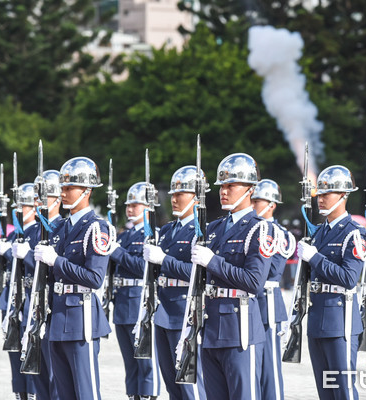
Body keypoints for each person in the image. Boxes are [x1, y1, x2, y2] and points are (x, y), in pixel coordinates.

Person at [190, 153, 273, 399]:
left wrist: (212, 261)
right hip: (211, 326)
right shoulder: (213, 229)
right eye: (221, 186)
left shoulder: (259, 228)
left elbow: (254, 282)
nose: (223, 191)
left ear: (249, 189)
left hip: (239, 330)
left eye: (230, 186)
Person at [33, 157, 112, 400]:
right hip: (56, 318)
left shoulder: (97, 227)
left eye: (69, 188)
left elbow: (94, 278)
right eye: (62, 188)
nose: (63, 193)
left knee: (85, 392)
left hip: (81, 319)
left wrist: (55, 261)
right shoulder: (59, 228)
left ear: (87, 191)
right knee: (62, 393)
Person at [296, 165, 366, 400]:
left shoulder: (354, 233)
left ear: (344, 195)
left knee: (343, 391)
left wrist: (314, 257)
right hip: (318, 321)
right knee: (325, 393)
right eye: (320, 193)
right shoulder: (319, 233)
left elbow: (348, 278)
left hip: (340, 323)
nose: (321, 199)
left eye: (328, 194)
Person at [143, 165, 207, 400]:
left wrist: (164, 260)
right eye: (173, 194)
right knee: (172, 385)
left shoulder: (202, 231)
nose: (174, 198)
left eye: (181, 193)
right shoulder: (168, 230)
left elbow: (199, 273)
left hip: (185, 312)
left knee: (190, 386)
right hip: (164, 312)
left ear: (196, 196)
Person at [14, 170, 65, 400]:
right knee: (37, 373)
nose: (37, 202)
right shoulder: (33, 230)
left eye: (42, 197)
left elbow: (53, 271)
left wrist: (26, 256)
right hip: (32, 304)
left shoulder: (62, 228)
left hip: (52, 306)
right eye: (36, 198)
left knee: (55, 374)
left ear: (57, 199)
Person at [109, 181, 161, 400]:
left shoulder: (153, 235)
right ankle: (133, 395)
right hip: (122, 303)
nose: (130, 209)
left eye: (135, 205)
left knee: (145, 360)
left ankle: (149, 395)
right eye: (128, 205)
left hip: (140, 301)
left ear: (148, 207)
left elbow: (146, 269)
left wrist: (118, 253)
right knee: (130, 362)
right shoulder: (124, 235)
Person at [251, 179, 295, 400]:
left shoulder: (279, 233)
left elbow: (271, 270)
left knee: (270, 370)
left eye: (257, 201)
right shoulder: (249, 230)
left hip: (267, 304)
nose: (253, 205)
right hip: (249, 305)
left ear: (272, 204)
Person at [1, 182, 38, 400]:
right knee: (15, 357)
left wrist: (10, 255)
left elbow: (36, 268)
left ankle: (33, 394)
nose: (18, 211)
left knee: (30, 355)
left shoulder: (38, 231)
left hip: (31, 300)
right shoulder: (16, 234)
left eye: (22, 206)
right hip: (15, 301)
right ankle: (21, 394)